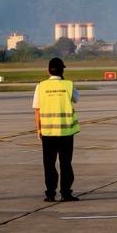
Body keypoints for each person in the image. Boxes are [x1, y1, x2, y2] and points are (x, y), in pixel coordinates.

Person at [34, 57, 80, 202]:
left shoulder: (40, 86)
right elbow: (76, 99)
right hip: (66, 132)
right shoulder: (69, 85)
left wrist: (38, 129)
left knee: (49, 164)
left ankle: (50, 194)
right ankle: (66, 193)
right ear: (62, 70)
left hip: (48, 132)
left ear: (48, 70)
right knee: (65, 163)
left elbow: (37, 110)